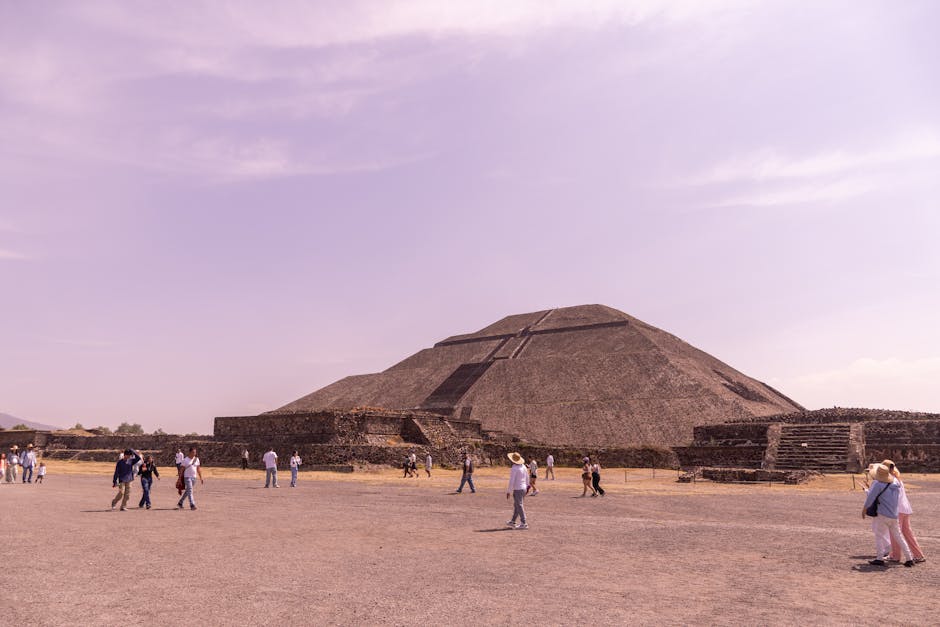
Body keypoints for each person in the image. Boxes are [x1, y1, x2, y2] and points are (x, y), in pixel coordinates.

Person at [862, 462, 913, 567]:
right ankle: (909, 558)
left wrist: (864, 509)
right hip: (894, 514)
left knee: (879, 535)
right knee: (899, 536)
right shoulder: (895, 482)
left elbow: (871, 498)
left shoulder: (878, 484)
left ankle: (879, 558)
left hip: (882, 513)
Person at [883, 460, 926, 564]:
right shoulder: (898, 479)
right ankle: (918, 554)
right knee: (907, 533)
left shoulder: (891, 480)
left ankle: (895, 555)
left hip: (898, 510)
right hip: (905, 509)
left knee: (895, 533)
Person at [505, 452, 529, 529]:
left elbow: (512, 480)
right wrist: (527, 487)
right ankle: (513, 521)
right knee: (517, 505)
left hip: (518, 489)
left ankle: (524, 522)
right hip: (523, 488)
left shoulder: (514, 468)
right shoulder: (524, 467)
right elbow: (527, 477)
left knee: (519, 505)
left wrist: (509, 491)